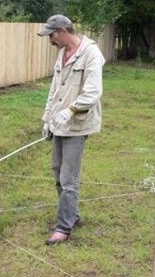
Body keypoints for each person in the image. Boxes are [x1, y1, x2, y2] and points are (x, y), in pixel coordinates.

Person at [38, 15, 105, 245]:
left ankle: (64, 228)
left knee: (69, 178)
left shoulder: (91, 53)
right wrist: (47, 119)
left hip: (77, 125)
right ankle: (72, 216)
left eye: (52, 34)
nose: (50, 39)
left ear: (64, 30)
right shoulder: (61, 55)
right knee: (57, 171)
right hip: (59, 125)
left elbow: (93, 93)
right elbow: (54, 91)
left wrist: (70, 111)